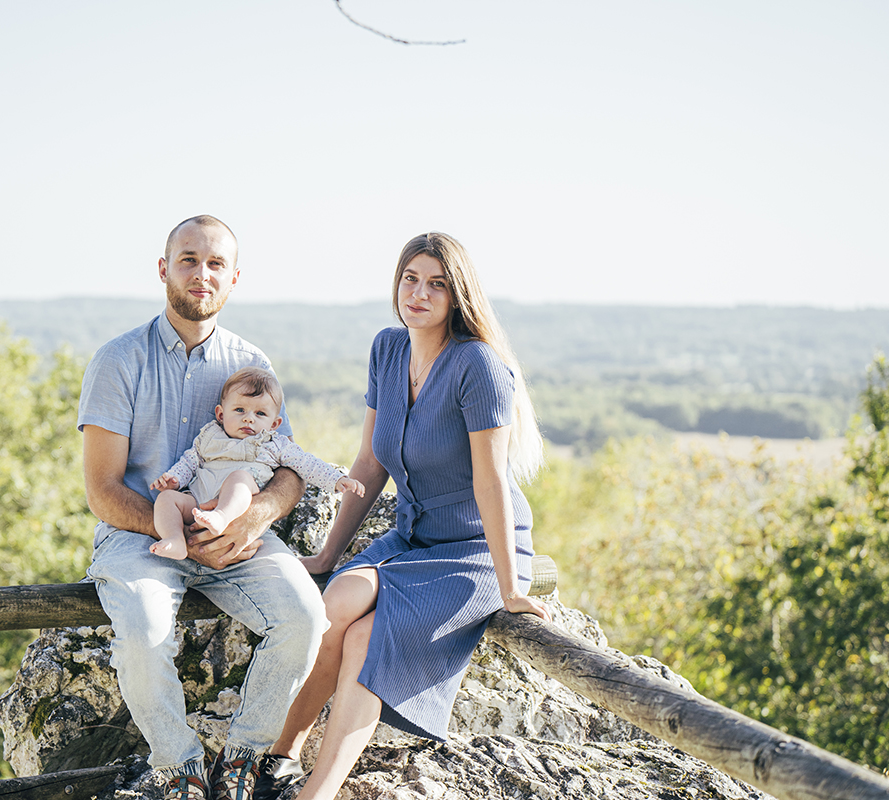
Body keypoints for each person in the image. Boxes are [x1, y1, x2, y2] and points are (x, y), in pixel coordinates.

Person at [253, 232, 552, 800]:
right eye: (410, 278)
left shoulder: (478, 366)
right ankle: (279, 757)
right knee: (334, 605)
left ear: (457, 296)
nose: (418, 293)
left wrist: (513, 588)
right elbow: (370, 461)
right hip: (409, 538)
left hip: (475, 551)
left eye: (436, 284)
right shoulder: (387, 350)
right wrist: (328, 555)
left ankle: (316, 792)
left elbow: (490, 483)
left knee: (367, 638)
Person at [78, 215, 328, 800]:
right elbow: (103, 490)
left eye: (215, 263)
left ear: (233, 278)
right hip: (142, 535)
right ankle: (179, 764)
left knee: (305, 618)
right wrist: (183, 536)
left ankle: (242, 758)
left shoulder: (250, 365)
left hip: (239, 536)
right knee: (142, 629)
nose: (201, 273)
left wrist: (260, 514)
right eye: (188, 259)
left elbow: (287, 467)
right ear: (164, 269)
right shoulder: (118, 362)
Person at [150, 366, 365, 560]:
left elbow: (306, 463)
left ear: (274, 424)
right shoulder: (208, 436)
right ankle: (175, 540)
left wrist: (336, 479)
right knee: (166, 499)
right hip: (198, 503)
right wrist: (174, 479)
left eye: (260, 413)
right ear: (221, 414)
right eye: (240, 410)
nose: (248, 418)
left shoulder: (273, 444)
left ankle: (221, 516)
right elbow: (189, 461)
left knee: (239, 478)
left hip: (238, 510)